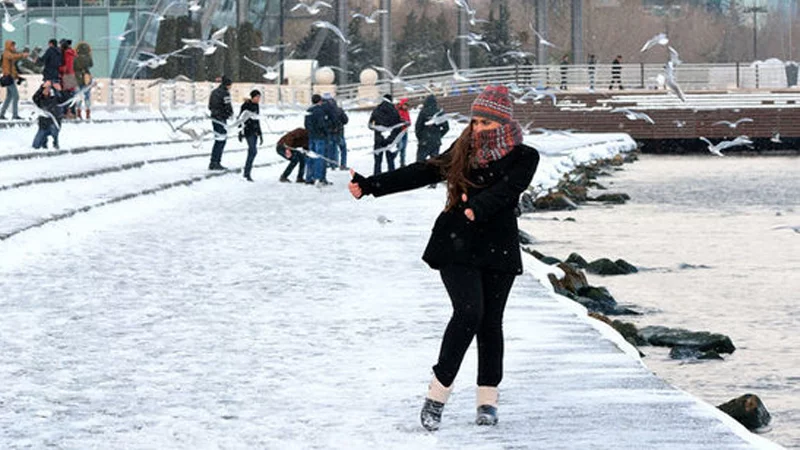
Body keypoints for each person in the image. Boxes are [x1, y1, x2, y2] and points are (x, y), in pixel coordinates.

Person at [348, 85, 540, 431]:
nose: (477, 128)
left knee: (490, 322)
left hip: (498, 246)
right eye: (475, 120)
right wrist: (372, 185)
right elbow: (424, 170)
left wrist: (477, 208)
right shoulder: (462, 149)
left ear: (502, 123)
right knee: (469, 313)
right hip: (457, 243)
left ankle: (487, 400)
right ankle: (437, 396)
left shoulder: (526, 156)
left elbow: (507, 190)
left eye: (485, 122)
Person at [414, 94, 450, 188]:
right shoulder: (440, 112)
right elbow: (446, 127)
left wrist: (421, 137)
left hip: (424, 142)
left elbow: (418, 127)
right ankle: (433, 182)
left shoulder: (423, 112)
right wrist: (438, 136)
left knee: (420, 162)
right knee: (435, 162)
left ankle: (418, 180)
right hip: (436, 142)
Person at [369, 94, 404, 175]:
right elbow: (398, 126)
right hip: (390, 139)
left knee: (378, 162)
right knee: (390, 161)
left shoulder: (376, 110)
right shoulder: (394, 110)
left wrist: (378, 130)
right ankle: (391, 179)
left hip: (379, 138)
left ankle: (376, 179)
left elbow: (370, 125)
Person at [303, 93, 330, 185]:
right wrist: (326, 132)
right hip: (320, 137)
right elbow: (321, 124)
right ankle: (318, 178)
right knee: (319, 157)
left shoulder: (308, 111)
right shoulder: (320, 111)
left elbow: (306, 125)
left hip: (311, 136)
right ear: (320, 101)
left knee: (311, 157)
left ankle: (309, 177)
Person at [208, 75, 233, 170]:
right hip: (221, 119)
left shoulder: (214, 92)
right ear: (227, 85)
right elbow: (228, 106)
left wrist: (215, 112)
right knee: (221, 140)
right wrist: (229, 114)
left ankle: (213, 161)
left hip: (214, 118)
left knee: (218, 139)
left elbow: (210, 106)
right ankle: (215, 162)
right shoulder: (225, 93)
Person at [238, 89, 263, 182]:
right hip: (248, 131)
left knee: (253, 152)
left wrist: (260, 133)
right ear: (252, 97)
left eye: (259, 97)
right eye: (257, 97)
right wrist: (240, 132)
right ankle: (246, 173)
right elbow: (240, 119)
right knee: (253, 150)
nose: (258, 99)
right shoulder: (245, 106)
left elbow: (257, 119)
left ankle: (247, 172)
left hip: (255, 131)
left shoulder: (256, 105)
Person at [1, 40, 29, 120]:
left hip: (10, 78)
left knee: (9, 97)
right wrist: (22, 55)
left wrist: (17, 77)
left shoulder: (10, 54)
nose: (14, 47)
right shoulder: (6, 53)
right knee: (16, 96)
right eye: (12, 46)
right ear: (8, 46)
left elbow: (12, 69)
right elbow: (12, 56)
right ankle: (15, 115)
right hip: (8, 78)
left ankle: (1, 114)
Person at [32, 80, 64, 150]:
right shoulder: (39, 99)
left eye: (48, 89)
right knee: (36, 145)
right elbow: (34, 98)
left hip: (54, 123)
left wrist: (60, 91)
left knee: (54, 132)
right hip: (43, 125)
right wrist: (41, 88)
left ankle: (55, 143)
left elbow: (64, 100)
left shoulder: (55, 98)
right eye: (45, 89)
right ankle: (44, 143)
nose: (46, 90)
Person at [73, 42, 93, 120]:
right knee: (87, 96)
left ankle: (79, 113)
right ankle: (88, 113)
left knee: (78, 96)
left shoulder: (75, 57)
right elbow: (91, 65)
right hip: (87, 77)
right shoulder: (88, 57)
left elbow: (73, 66)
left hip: (77, 77)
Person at [58, 39, 77, 119]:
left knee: (66, 96)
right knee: (71, 95)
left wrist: (59, 69)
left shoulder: (67, 53)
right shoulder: (72, 52)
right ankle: (71, 112)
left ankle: (68, 113)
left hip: (67, 76)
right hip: (71, 76)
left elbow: (68, 67)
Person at [396, 98, 411, 167]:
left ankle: (402, 163)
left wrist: (407, 123)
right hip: (399, 132)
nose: (406, 107)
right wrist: (403, 122)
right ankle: (392, 158)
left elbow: (409, 121)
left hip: (405, 131)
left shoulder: (406, 112)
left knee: (404, 148)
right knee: (400, 147)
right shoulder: (397, 111)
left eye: (407, 105)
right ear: (402, 104)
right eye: (405, 105)